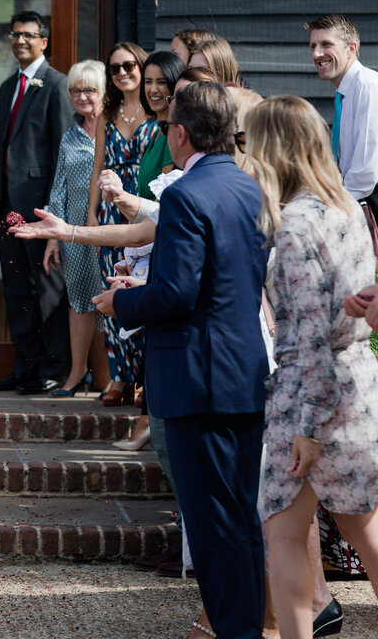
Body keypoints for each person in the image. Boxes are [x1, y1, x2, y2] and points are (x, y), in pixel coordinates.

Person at [96, 81, 269, 639]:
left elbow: (176, 294)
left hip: (199, 379)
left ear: (179, 133)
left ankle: (235, 630)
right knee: (240, 519)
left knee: (215, 524)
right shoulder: (248, 188)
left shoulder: (187, 196)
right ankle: (242, 623)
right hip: (243, 371)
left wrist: (120, 299)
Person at [246, 95, 378, 639]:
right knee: (345, 528)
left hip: (312, 398)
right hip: (357, 385)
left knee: (289, 533)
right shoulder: (347, 205)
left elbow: (307, 338)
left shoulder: (295, 226)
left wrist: (307, 428)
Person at [0, 11, 71, 394]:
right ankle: (25, 366)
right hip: (7, 206)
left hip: (39, 208)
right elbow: (0, 147)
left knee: (46, 286)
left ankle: (53, 367)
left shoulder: (57, 85)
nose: (20, 41)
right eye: (15, 34)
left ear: (43, 42)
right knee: (15, 286)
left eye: (28, 35)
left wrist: (55, 212)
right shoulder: (6, 88)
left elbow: (63, 154)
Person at [86, 41, 152, 407]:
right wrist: (92, 214)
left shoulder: (157, 113)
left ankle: (144, 377)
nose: (123, 73)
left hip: (142, 209)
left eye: (129, 66)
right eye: (115, 68)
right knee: (112, 290)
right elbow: (98, 166)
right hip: (110, 212)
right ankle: (119, 377)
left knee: (141, 287)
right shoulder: (106, 114)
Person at [42, 60, 110, 398]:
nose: (82, 96)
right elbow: (58, 188)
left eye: (90, 90)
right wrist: (53, 238)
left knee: (111, 297)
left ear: (103, 93)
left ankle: (111, 378)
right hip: (71, 231)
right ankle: (77, 372)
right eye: (76, 90)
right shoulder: (69, 137)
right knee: (79, 300)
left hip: (111, 229)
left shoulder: (113, 132)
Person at [306, 15, 378, 251]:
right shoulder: (345, 92)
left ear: (351, 48)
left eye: (326, 44)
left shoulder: (367, 87)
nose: (317, 54)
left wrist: (326, 210)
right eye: (313, 46)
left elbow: (365, 173)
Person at [135, 51, 185, 200]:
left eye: (161, 82)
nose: (153, 89)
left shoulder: (173, 131)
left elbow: (164, 197)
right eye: (148, 81)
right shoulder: (158, 130)